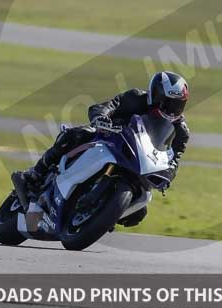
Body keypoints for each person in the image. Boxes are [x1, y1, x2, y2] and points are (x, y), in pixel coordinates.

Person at [11, 71, 190, 226]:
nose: (172, 110)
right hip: (109, 137)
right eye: (168, 103)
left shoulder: (181, 131)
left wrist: (169, 173)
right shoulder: (136, 98)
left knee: (138, 213)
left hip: (139, 160)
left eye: (178, 105)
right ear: (155, 95)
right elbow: (107, 106)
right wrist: (101, 117)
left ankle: (99, 216)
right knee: (74, 135)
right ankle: (35, 174)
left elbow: (174, 158)